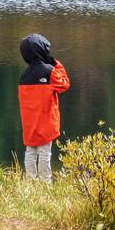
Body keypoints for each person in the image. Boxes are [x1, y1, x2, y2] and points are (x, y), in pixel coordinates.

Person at [17, 33, 71, 180]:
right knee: (45, 153)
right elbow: (65, 84)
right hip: (46, 121)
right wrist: (55, 63)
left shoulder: (24, 76)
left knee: (30, 151)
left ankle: (30, 180)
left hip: (29, 122)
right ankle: (45, 182)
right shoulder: (49, 71)